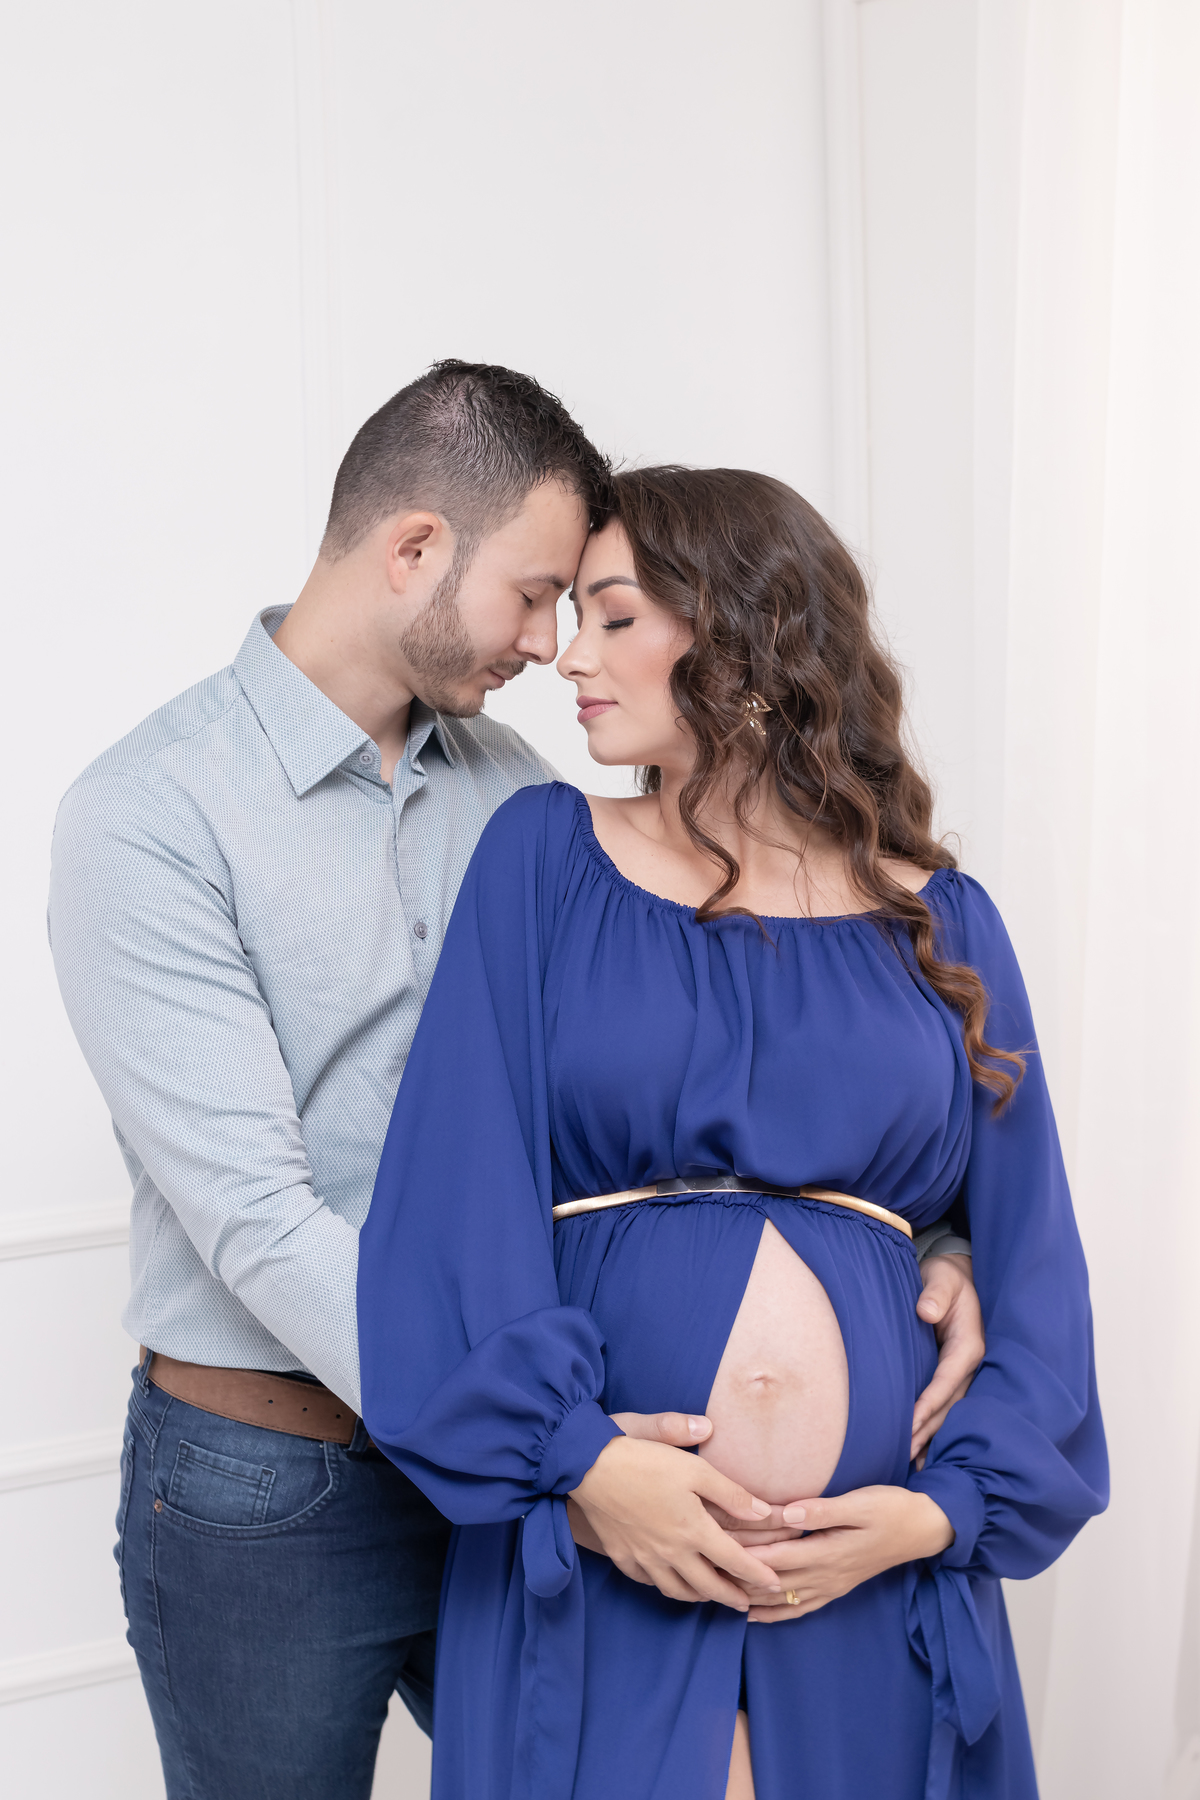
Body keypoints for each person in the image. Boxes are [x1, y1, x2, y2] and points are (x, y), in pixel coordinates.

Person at [49, 371, 981, 1799]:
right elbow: (257, 1215)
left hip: (547, 1464)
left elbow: (716, 1068)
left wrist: (928, 1236)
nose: (555, 648)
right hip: (285, 1480)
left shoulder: (522, 795)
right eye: (539, 595)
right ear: (416, 549)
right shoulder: (151, 812)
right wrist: (555, 1453)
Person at [358, 466, 1109, 1800]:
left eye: (615, 617)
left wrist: (932, 1515)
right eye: (572, 616)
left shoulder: (944, 921)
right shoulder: (542, 859)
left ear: (748, 638)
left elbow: (1036, 1266)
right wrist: (586, 1469)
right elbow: (449, 1214)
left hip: (870, 1578)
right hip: (602, 1556)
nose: (570, 657)